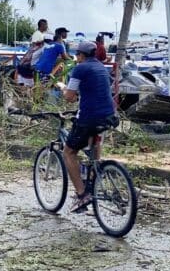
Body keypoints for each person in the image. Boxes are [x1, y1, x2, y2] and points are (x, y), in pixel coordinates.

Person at [62, 41, 118, 213]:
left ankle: (81, 195)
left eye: (77, 55)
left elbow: (70, 97)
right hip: (109, 115)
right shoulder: (101, 67)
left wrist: (63, 88)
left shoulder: (80, 68)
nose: (77, 58)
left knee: (69, 152)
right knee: (94, 144)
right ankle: (95, 176)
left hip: (90, 117)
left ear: (81, 55)